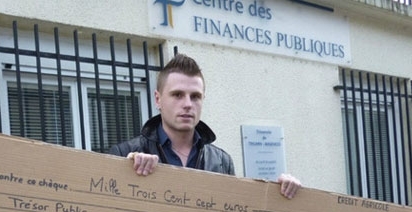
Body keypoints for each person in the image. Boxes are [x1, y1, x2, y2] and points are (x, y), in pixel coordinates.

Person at [109, 54, 301, 199]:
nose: (187, 104)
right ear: (158, 99)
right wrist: (126, 172)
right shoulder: (126, 154)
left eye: (195, 96)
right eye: (177, 95)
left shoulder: (222, 161)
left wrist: (280, 194)